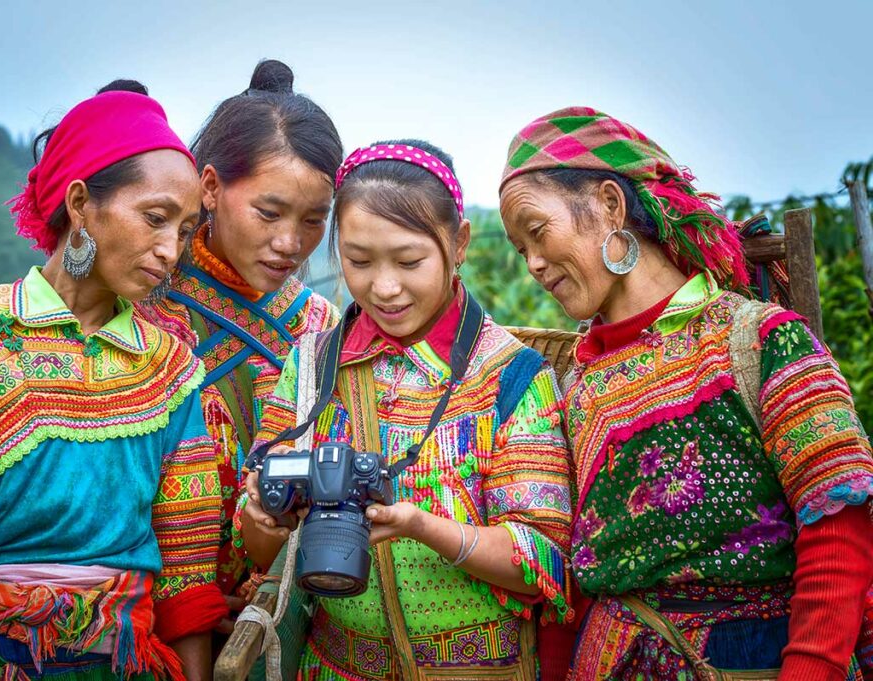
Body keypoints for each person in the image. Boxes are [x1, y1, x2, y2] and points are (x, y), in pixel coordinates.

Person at [0, 81, 227, 680]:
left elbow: (186, 569)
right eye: (155, 218)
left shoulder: (172, 372)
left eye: (184, 231)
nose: (169, 250)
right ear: (81, 205)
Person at [498, 106, 873, 680]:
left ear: (608, 203)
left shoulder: (757, 340)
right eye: (521, 249)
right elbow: (563, 586)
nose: (534, 264)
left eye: (537, 232)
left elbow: (839, 523)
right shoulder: (571, 386)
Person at [239, 139, 574, 680]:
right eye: (359, 261)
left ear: (458, 242)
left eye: (409, 260)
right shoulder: (312, 367)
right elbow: (256, 548)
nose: (385, 287)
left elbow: (542, 562)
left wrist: (421, 525)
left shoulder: (511, 377)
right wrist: (263, 517)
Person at [139, 60, 342, 610]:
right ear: (210, 186)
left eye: (312, 220)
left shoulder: (322, 326)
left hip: (278, 617)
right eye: (269, 212)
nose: (289, 243)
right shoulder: (142, 310)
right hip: (150, 618)